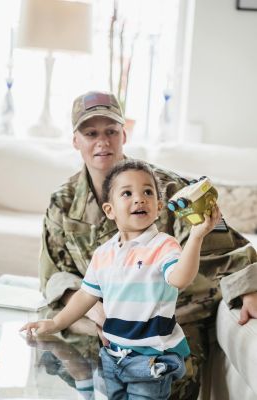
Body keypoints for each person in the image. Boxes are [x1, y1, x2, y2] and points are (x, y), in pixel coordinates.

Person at [38, 90, 257, 399]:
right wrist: (96, 310)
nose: (103, 141)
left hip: (166, 324)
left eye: (111, 131)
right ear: (76, 141)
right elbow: (53, 275)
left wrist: (248, 286)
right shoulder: (62, 202)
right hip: (97, 322)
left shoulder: (169, 188)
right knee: (58, 357)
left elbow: (226, 245)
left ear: (123, 135)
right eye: (91, 133)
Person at [21, 160, 221, 399]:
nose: (139, 199)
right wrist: (55, 324)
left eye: (148, 192)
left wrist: (196, 238)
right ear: (110, 210)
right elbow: (86, 295)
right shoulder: (104, 253)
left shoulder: (164, 245)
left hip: (152, 358)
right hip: (113, 355)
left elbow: (180, 278)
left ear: (158, 207)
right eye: (127, 193)